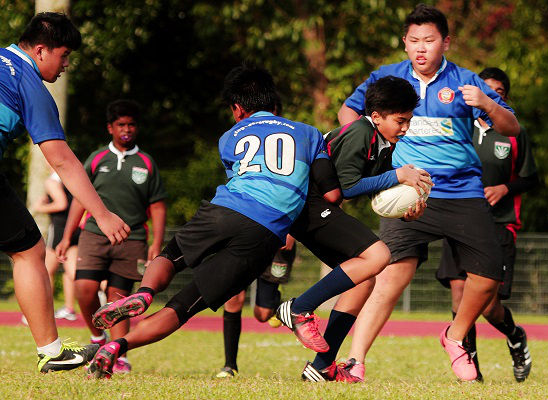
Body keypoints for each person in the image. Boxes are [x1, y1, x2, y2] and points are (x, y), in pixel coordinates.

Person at [85, 63, 328, 378]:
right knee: (185, 306)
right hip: (266, 231)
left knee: (170, 258)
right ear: (273, 102)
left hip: (224, 210)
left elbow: (238, 175)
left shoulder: (230, 136)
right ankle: (118, 347)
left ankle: (144, 293)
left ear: (237, 108)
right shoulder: (308, 132)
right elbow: (329, 192)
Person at [337, 4, 520, 382]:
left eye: (430, 40)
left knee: (488, 275)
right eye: (414, 40)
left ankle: (454, 337)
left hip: (463, 192)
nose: (421, 48)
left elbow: (511, 127)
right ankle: (355, 361)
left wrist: (486, 103)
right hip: (409, 191)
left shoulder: (466, 80)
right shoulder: (386, 78)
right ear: (404, 42)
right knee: (389, 277)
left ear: (445, 42)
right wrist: (372, 151)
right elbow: (347, 113)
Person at [0, 12, 129, 373]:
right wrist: (101, 214)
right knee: (28, 251)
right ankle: (52, 351)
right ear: (41, 50)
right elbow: (64, 162)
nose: (66, 65)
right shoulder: (28, 82)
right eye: (64, 55)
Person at [285, 76, 430, 382]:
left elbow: (376, 194)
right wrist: (398, 176)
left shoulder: (383, 142)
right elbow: (348, 187)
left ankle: (322, 366)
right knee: (378, 254)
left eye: (408, 121)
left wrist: (406, 210)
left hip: (313, 209)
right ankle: (298, 308)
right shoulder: (361, 132)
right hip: (305, 205)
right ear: (376, 116)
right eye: (400, 121)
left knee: (362, 279)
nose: (404, 128)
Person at [436, 67, 538, 382]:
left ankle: (515, 335)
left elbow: (530, 178)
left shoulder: (513, 132)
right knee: (458, 293)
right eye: (485, 88)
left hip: (498, 223)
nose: (490, 94)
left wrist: (505, 188)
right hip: (458, 219)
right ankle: (471, 369)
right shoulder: (457, 126)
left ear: (502, 97)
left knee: (487, 305)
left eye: (498, 91)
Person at [56, 99, 167, 374]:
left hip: (133, 238)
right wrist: (66, 236)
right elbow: (80, 200)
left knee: (119, 297)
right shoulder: (96, 158)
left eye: (131, 125)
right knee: (84, 287)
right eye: (120, 125)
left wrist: (155, 244)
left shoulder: (147, 163)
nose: (126, 130)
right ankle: (97, 337)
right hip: (93, 234)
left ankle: (118, 351)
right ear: (110, 128)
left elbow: (158, 207)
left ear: (136, 128)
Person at [216, 235, 296, 378]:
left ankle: (275, 299)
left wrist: (292, 233)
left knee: (262, 315)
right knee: (233, 298)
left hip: (276, 237)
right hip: (245, 237)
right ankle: (230, 366)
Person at [33, 171, 81, 321]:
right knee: (71, 272)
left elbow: (61, 204)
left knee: (46, 271)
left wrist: (39, 207)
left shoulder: (52, 181)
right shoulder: (74, 178)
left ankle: (43, 312)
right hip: (76, 228)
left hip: (60, 229)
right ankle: (70, 308)